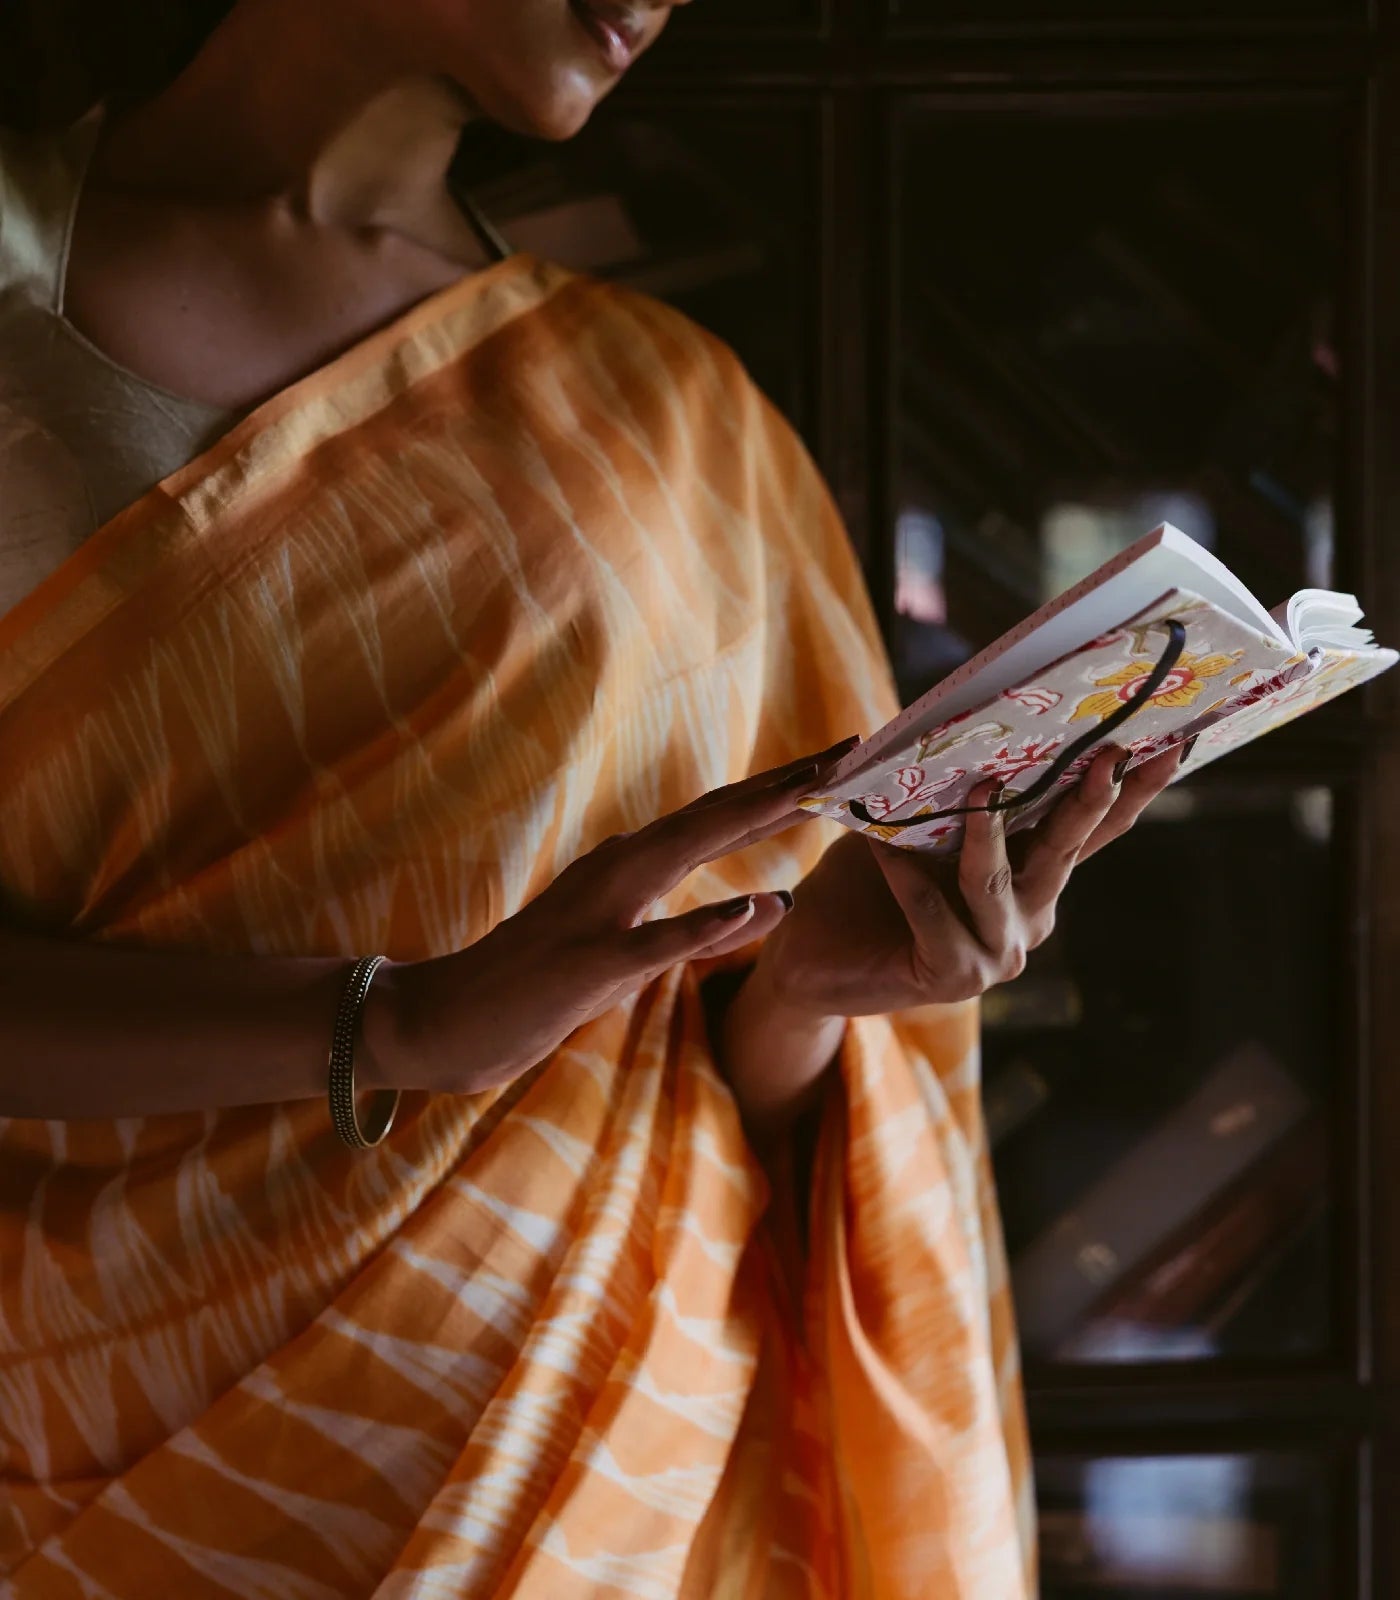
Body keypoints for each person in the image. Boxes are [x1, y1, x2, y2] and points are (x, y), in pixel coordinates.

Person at [0, 2, 1182, 1593]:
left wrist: (805, 990)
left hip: (628, 1478)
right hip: (141, 1482)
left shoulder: (668, 414)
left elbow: (711, 1052)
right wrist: (398, 1026)